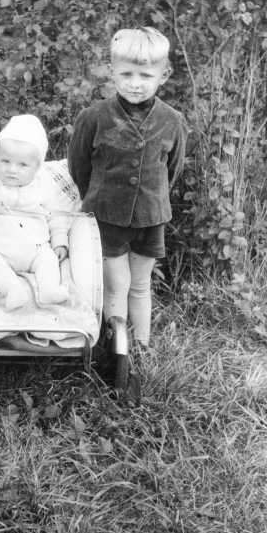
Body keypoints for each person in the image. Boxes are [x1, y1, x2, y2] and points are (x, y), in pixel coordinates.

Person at [68, 27, 187, 353]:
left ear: (164, 75)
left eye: (146, 75)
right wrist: (99, 199)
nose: (136, 83)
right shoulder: (93, 117)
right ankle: (116, 351)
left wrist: (152, 198)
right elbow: (79, 167)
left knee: (140, 284)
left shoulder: (172, 120)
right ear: (112, 72)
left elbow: (172, 169)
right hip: (107, 219)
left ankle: (142, 346)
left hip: (151, 218)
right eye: (127, 74)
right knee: (116, 285)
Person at [0, 114, 70, 310]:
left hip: (35, 249)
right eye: (5, 161)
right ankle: (12, 290)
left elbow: (57, 218)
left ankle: (48, 291)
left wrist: (60, 242)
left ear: (37, 167)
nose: (12, 170)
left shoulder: (43, 190)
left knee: (49, 259)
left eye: (22, 165)